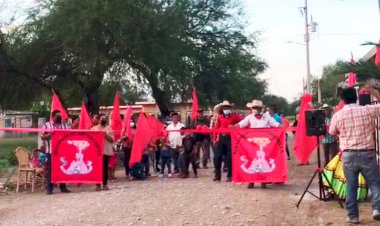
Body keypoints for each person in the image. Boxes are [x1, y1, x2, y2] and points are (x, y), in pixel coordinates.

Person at [329, 86, 380, 224]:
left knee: (351, 186)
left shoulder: (338, 115)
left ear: (343, 99)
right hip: (367, 153)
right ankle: (377, 209)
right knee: (375, 183)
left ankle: (353, 216)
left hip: (349, 155)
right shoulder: (367, 110)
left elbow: (332, 132)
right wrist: (373, 92)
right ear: (356, 97)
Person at [234, 100, 280, 189]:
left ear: (261, 108)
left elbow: (275, 124)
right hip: (252, 143)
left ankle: (263, 181)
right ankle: (251, 181)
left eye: (257, 108)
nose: (255, 109)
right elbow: (242, 124)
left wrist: (282, 126)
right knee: (252, 159)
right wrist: (235, 126)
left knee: (264, 159)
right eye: (254, 108)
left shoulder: (267, 117)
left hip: (264, 142)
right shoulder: (250, 117)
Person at [41, 110, 71, 195]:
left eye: (60, 116)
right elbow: (42, 137)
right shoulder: (47, 125)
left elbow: (70, 135)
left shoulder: (65, 125)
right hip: (50, 151)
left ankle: (63, 187)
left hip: (62, 151)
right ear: (53, 117)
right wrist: (49, 135)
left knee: (62, 168)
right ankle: (49, 189)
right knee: (51, 170)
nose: (59, 117)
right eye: (58, 116)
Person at [213, 101, 240, 182]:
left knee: (229, 158)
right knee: (217, 157)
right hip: (221, 138)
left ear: (230, 108)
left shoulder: (235, 117)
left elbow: (240, 126)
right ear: (222, 109)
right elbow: (216, 129)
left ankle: (230, 175)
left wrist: (234, 127)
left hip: (231, 138)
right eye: (224, 108)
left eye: (227, 108)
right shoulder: (220, 117)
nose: (226, 109)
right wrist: (215, 139)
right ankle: (217, 175)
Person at [92, 114, 114, 191]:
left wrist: (105, 135)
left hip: (106, 151)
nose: (103, 120)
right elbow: (91, 139)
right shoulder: (94, 129)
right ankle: (97, 185)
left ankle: (105, 184)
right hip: (96, 152)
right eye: (102, 119)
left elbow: (112, 140)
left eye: (105, 119)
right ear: (99, 120)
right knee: (97, 168)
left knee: (105, 168)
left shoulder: (109, 128)